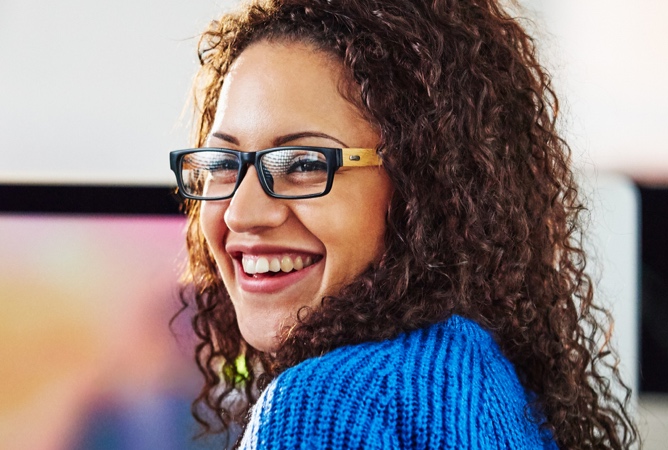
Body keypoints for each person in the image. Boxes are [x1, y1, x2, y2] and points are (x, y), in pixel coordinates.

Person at [170, 0, 637, 448]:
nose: (240, 212)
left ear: (425, 182)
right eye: (223, 162)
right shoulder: (486, 382)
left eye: (303, 163)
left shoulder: (324, 408)